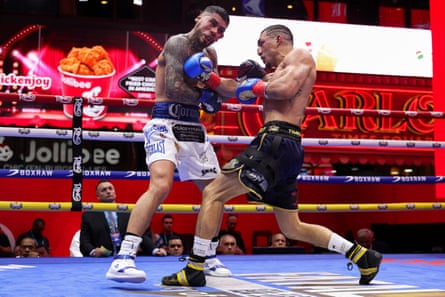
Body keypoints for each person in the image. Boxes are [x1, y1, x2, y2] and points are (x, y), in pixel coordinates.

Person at [161, 24, 382, 287]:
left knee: (213, 193)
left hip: (276, 141)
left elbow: (284, 90)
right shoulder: (276, 74)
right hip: (286, 147)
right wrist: (210, 78)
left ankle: (195, 267)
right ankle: (363, 256)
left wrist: (254, 87)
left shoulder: (300, 57)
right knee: (291, 228)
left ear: (278, 40)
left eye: (261, 43)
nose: (258, 50)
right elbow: (234, 89)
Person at [106, 5, 241, 283]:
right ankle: (123, 258)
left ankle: (207, 257)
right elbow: (176, 88)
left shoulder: (210, 55)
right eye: (213, 23)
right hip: (165, 123)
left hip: (194, 128)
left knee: (216, 193)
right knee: (161, 184)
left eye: (221, 30)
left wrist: (234, 84)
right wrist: (209, 86)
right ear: (198, 18)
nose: (215, 32)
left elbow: (215, 99)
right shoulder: (177, 43)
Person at [80, 180, 130, 257]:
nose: (108, 192)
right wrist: (93, 251)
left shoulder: (127, 212)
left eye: (110, 189)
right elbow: (84, 242)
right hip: (102, 259)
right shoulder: (89, 216)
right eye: (104, 190)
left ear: (115, 192)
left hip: (126, 256)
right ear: (98, 196)